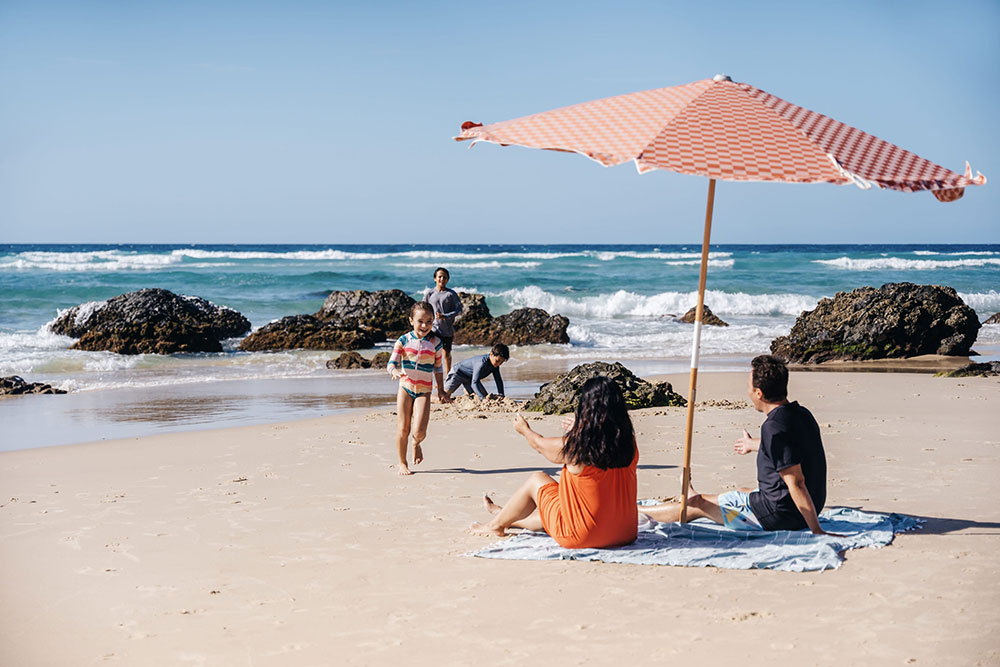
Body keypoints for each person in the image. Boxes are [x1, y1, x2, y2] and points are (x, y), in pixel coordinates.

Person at [639, 355, 833, 535]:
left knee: (696, 506)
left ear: (759, 393)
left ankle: (636, 510)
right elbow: (788, 448)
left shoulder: (773, 428)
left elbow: (796, 482)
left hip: (777, 518)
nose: (747, 391)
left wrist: (816, 530)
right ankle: (695, 494)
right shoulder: (800, 414)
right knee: (743, 491)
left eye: (749, 387)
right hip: (807, 506)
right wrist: (751, 444)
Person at [470, 376, 638, 549]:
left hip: (581, 536)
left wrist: (524, 430)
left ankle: (496, 526)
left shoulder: (576, 447)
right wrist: (580, 429)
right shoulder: (628, 443)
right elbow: (602, 437)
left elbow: (539, 444)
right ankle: (505, 516)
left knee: (537, 480)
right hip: (625, 533)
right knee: (560, 505)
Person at [387, 301, 451, 476]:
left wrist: (441, 390)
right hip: (405, 387)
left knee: (420, 431)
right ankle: (402, 463)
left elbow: (438, 368)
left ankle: (416, 443)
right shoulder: (403, 340)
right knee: (403, 428)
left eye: (429, 322)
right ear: (411, 321)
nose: (424, 326)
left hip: (424, 390)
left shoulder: (436, 343)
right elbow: (391, 363)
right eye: (420, 321)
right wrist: (394, 371)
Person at [422, 267, 463, 375]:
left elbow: (459, 310)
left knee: (446, 355)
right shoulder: (429, 293)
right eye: (440, 277)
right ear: (435, 278)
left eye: (444, 277)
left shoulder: (451, 294)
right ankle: (430, 376)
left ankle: (448, 376)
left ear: (447, 279)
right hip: (433, 329)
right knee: (431, 353)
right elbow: (423, 308)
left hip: (447, 330)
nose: (442, 279)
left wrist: (445, 316)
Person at [444, 343, 509, 400]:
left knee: (486, 396)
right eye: (497, 361)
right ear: (491, 354)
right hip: (458, 373)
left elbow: (498, 380)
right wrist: (482, 399)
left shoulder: (495, 366)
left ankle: (468, 390)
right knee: (444, 398)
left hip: (470, 378)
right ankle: (468, 390)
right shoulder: (481, 363)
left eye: (501, 362)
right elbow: (474, 383)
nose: (499, 364)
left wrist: (501, 395)